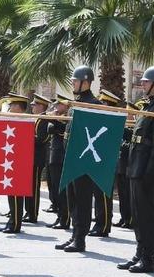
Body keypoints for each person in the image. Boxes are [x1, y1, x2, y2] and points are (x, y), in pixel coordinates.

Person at [116, 66, 154, 273]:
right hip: (136, 166)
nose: (142, 84)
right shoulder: (148, 107)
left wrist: (151, 172)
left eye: (146, 82)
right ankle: (139, 253)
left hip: (146, 170)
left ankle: (148, 258)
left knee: (146, 215)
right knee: (137, 214)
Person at [55, 66, 102, 253]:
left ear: (86, 82)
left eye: (75, 80)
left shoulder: (93, 103)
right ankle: (75, 234)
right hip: (71, 158)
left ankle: (80, 238)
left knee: (82, 200)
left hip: (83, 159)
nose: (72, 83)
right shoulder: (76, 103)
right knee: (72, 198)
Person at [89, 89, 120, 237]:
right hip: (98, 160)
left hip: (106, 161)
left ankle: (104, 225)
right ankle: (99, 222)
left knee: (103, 195)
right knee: (98, 194)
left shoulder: (113, 120)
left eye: (103, 103)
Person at [1, 93, 30, 233]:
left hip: (20, 162)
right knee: (11, 192)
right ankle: (12, 219)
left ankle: (16, 223)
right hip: (12, 160)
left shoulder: (26, 121)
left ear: (18, 107)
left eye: (11, 105)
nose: (10, 108)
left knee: (17, 192)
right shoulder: (13, 120)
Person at [24, 93, 52, 224]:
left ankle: (32, 213)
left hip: (37, 157)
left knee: (34, 187)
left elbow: (43, 139)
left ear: (41, 106)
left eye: (35, 105)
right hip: (30, 156)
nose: (32, 107)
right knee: (28, 186)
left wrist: (26, 135)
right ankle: (28, 211)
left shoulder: (44, 119)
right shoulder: (37, 118)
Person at [46, 94, 71, 230]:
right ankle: (60, 216)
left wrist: (55, 119)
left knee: (62, 191)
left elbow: (61, 130)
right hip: (54, 156)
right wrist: (55, 119)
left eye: (59, 104)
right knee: (56, 190)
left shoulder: (68, 119)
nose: (56, 107)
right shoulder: (58, 118)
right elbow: (50, 128)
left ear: (66, 106)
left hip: (61, 157)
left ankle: (65, 219)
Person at [113, 102, 137, 229]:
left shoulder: (134, 129)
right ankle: (124, 217)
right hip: (121, 166)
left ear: (132, 115)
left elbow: (132, 146)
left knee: (128, 195)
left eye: (126, 113)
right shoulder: (123, 127)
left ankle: (131, 219)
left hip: (129, 166)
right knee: (122, 195)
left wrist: (121, 144)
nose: (124, 115)